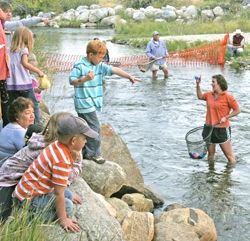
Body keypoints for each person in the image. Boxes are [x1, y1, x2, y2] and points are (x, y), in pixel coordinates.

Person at [12, 114, 98, 232]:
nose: (86, 141)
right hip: (29, 199)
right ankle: (27, 218)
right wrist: (63, 219)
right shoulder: (61, 161)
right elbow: (58, 193)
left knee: (66, 194)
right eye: (84, 138)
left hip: (26, 189)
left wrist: (69, 193)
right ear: (73, 141)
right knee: (67, 206)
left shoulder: (56, 145)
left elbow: (56, 183)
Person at [0, 112, 84, 222]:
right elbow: (65, 177)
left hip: (22, 182)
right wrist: (76, 157)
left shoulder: (52, 144)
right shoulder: (50, 151)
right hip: (7, 182)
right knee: (67, 206)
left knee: (65, 193)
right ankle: (25, 219)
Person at [69, 39, 140, 164]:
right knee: (94, 128)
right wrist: (85, 79)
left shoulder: (99, 66)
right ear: (91, 55)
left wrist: (129, 76)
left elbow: (114, 70)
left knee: (85, 128)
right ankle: (94, 154)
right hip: (84, 103)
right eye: (100, 57)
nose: (101, 60)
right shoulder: (80, 65)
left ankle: (84, 151)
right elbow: (72, 81)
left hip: (90, 103)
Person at [196, 74, 240, 165]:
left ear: (219, 84)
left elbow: (237, 110)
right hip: (208, 128)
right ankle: (211, 175)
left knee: (230, 157)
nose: (211, 84)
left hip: (222, 129)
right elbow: (200, 96)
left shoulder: (228, 96)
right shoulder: (209, 95)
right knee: (211, 155)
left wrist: (226, 117)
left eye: (213, 82)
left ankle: (228, 177)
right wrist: (197, 85)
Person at [7, 26, 45, 124]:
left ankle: (13, 124)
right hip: (24, 84)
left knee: (14, 107)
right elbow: (25, 63)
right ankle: (36, 126)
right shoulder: (24, 50)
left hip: (10, 85)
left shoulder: (8, 51)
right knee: (33, 105)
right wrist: (38, 71)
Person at [0, 96, 34, 161]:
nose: (32, 116)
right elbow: (28, 154)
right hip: (7, 167)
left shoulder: (9, 126)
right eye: (28, 113)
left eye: (33, 112)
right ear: (16, 116)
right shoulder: (18, 131)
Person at [0, 3, 10, 129]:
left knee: (5, 99)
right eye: (4, 10)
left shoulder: (2, 25)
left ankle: (6, 125)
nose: (8, 13)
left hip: (2, 70)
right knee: (4, 100)